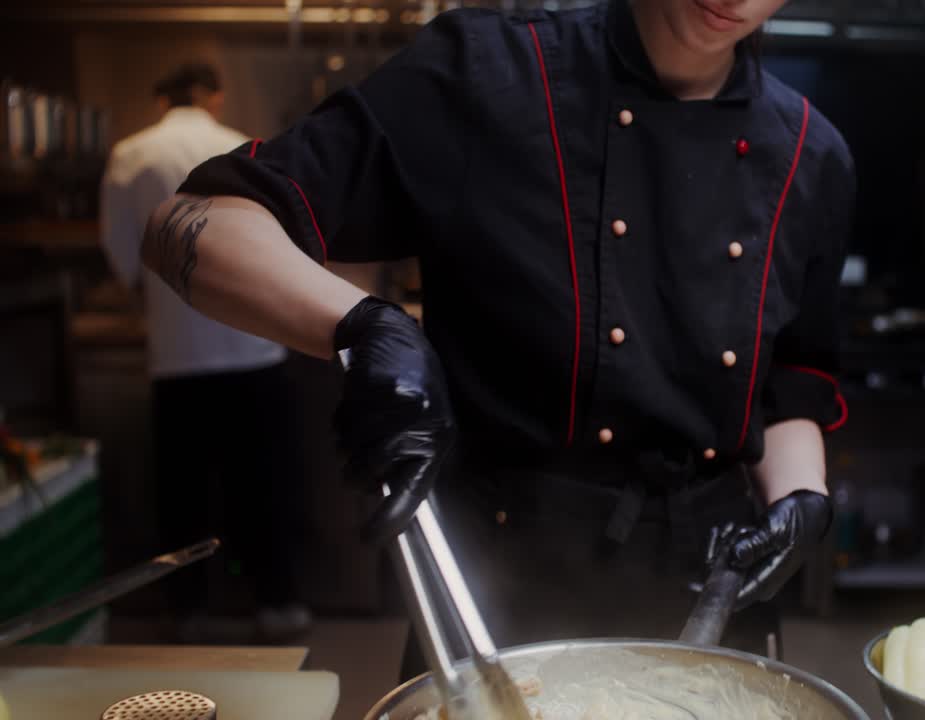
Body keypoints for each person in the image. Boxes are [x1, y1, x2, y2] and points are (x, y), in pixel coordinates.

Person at [141, 0, 853, 669]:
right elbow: (193, 218)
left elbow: (791, 384)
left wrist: (800, 499)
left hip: (711, 593)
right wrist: (366, 326)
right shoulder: (488, 74)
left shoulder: (811, 158)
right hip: (499, 592)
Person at [100, 63, 311, 642]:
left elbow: (123, 260)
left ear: (161, 97)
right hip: (253, 352)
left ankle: (188, 610)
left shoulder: (129, 155)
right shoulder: (242, 149)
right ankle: (278, 604)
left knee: (182, 492)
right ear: (215, 96)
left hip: (177, 357)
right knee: (260, 485)